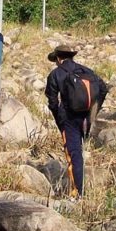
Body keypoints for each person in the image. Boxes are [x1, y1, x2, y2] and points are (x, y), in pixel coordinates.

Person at [45, 44, 108, 199]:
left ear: (58, 58)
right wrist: (93, 113)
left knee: (74, 155)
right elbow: (103, 89)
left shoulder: (55, 74)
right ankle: (80, 188)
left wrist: (59, 120)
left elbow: (52, 102)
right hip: (86, 117)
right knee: (79, 152)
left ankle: (77, 194)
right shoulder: (86, 71)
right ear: (72, 56)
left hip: (68, 119)